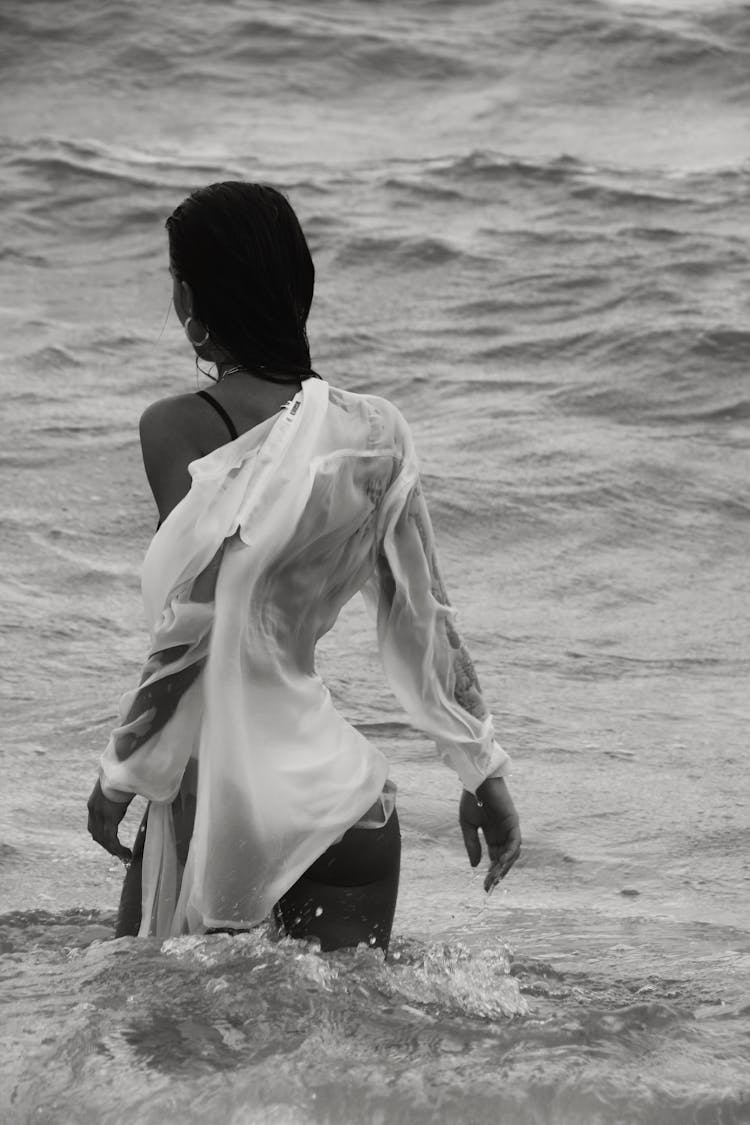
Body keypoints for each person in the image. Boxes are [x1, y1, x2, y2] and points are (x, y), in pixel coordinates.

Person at [86, 182, 521, 953]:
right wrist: (483, 772)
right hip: (347, 805)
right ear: (297, 287)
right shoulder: (375, 431)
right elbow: (428, 624)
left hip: (225, 806)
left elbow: (195, 634)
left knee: (157, 1050)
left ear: (191, 297)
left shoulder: (176, 427)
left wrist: (120, 773)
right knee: (346, 1065)